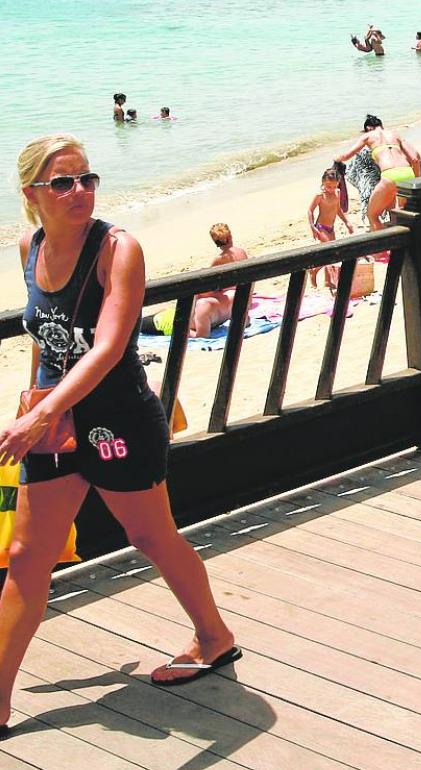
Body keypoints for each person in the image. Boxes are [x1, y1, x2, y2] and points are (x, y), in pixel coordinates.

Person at [0, 135, 241, 734]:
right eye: (63, 182)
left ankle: (214, 637)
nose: (79, 191)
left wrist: (41, 414)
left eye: (87, 179)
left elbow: (108, 347)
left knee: (151, 535)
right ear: (32, 193)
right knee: (27, 557)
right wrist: (34, 406)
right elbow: (47, 340)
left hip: (119, 419)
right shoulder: (30, 247)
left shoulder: (117, 249)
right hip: (56, 424)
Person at [332, 115, 421, 232]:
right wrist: (417, 181)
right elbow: (415, 158)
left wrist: (337, 158)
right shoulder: (395, 134)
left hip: (389, 175)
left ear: (368, 128)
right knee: (400, 211)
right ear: (381, 125)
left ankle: (384, 243)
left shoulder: (367, 136)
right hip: (407, 173)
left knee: (372, 215)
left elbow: (346, 156)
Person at [308, 168, 354, 249]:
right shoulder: (320, 195)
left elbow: (338, 210)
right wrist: (312, 226)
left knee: (333, 250)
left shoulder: (337, 192)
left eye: (334, 186)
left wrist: (346, 222)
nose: (332, 189)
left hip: (331, 228)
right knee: (329, 247)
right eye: (329, 186)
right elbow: (310, 210)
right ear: (323, 182)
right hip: (321, 227)